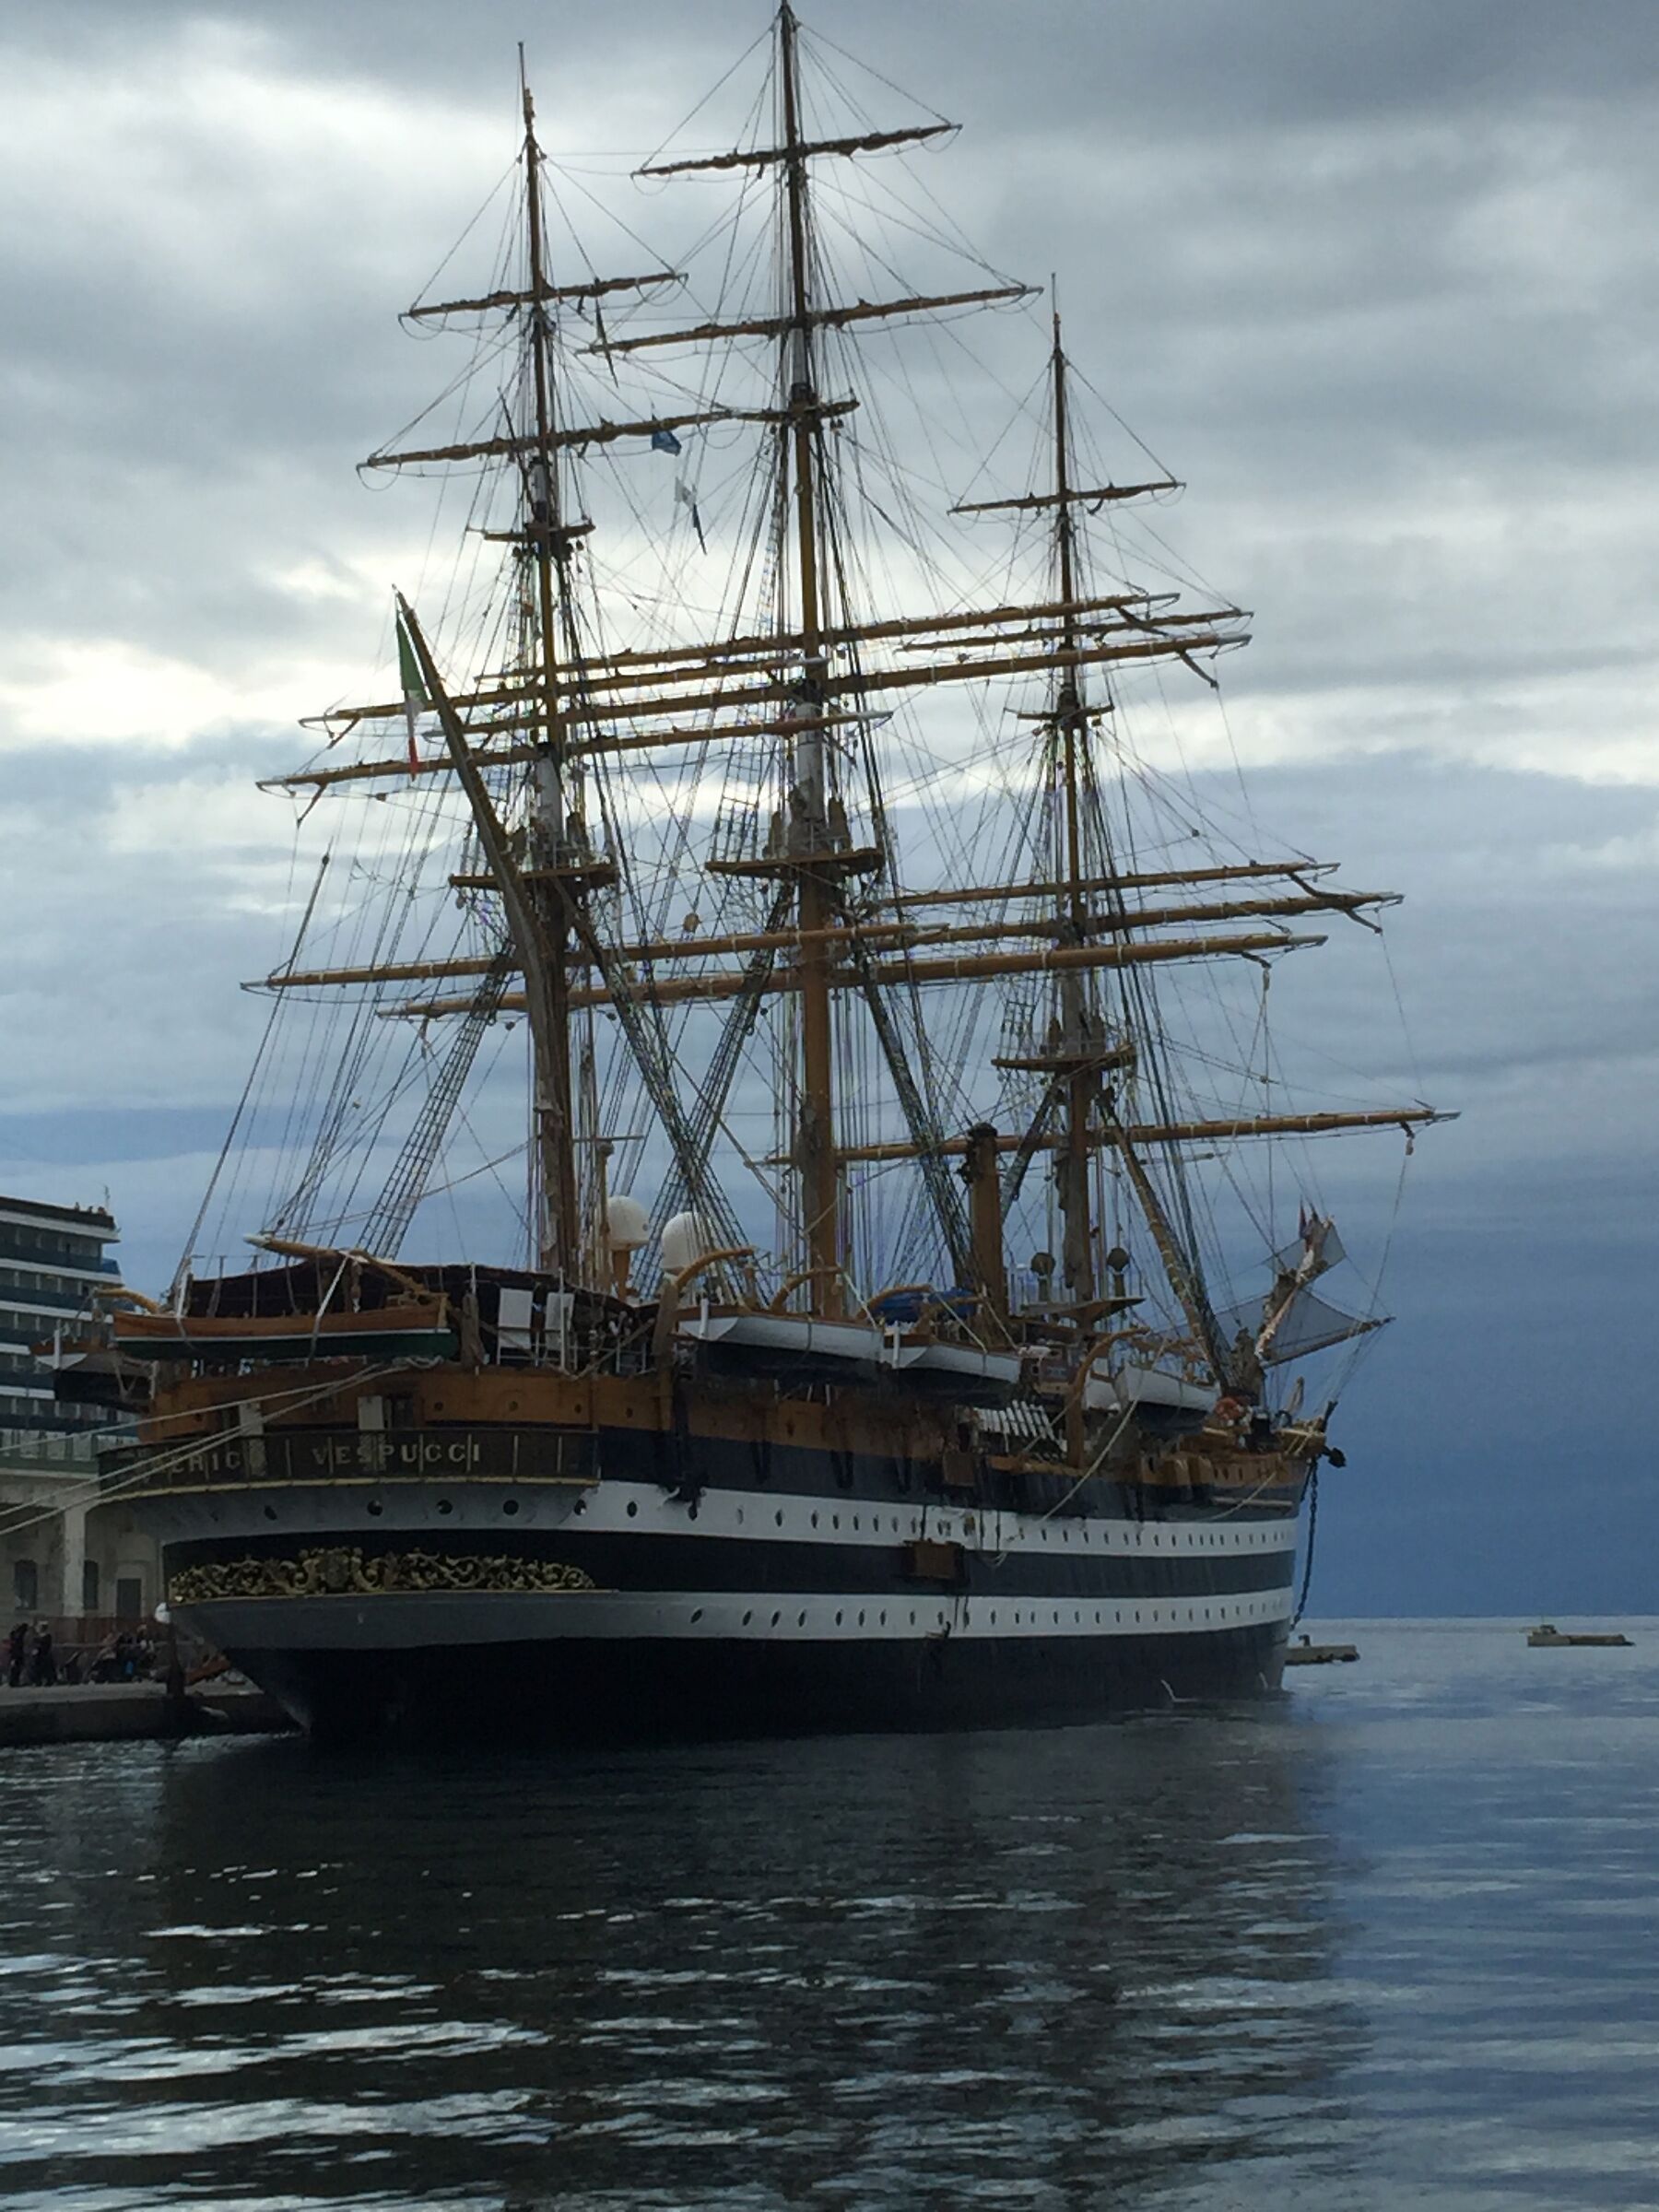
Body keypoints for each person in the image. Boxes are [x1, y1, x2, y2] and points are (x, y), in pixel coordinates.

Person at [28, 1623, 55, 1688]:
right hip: (37, 1656)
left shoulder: (47, 1636)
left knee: (46, 1669)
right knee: (37, 1669)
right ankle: (37, 1681)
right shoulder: (36, 1637)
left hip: (44, 1655)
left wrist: (38, 1649)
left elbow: (46, 1646)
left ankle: (48, 1681)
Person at [6, 1620, 26, 1689]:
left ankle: (13, 1681)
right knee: (15, 1669)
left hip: (15, 1655)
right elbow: (15, 1647)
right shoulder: (17, 1637)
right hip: (16, 1655)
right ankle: (13, 1681)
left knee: (15, 1669)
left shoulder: (15, 1637)